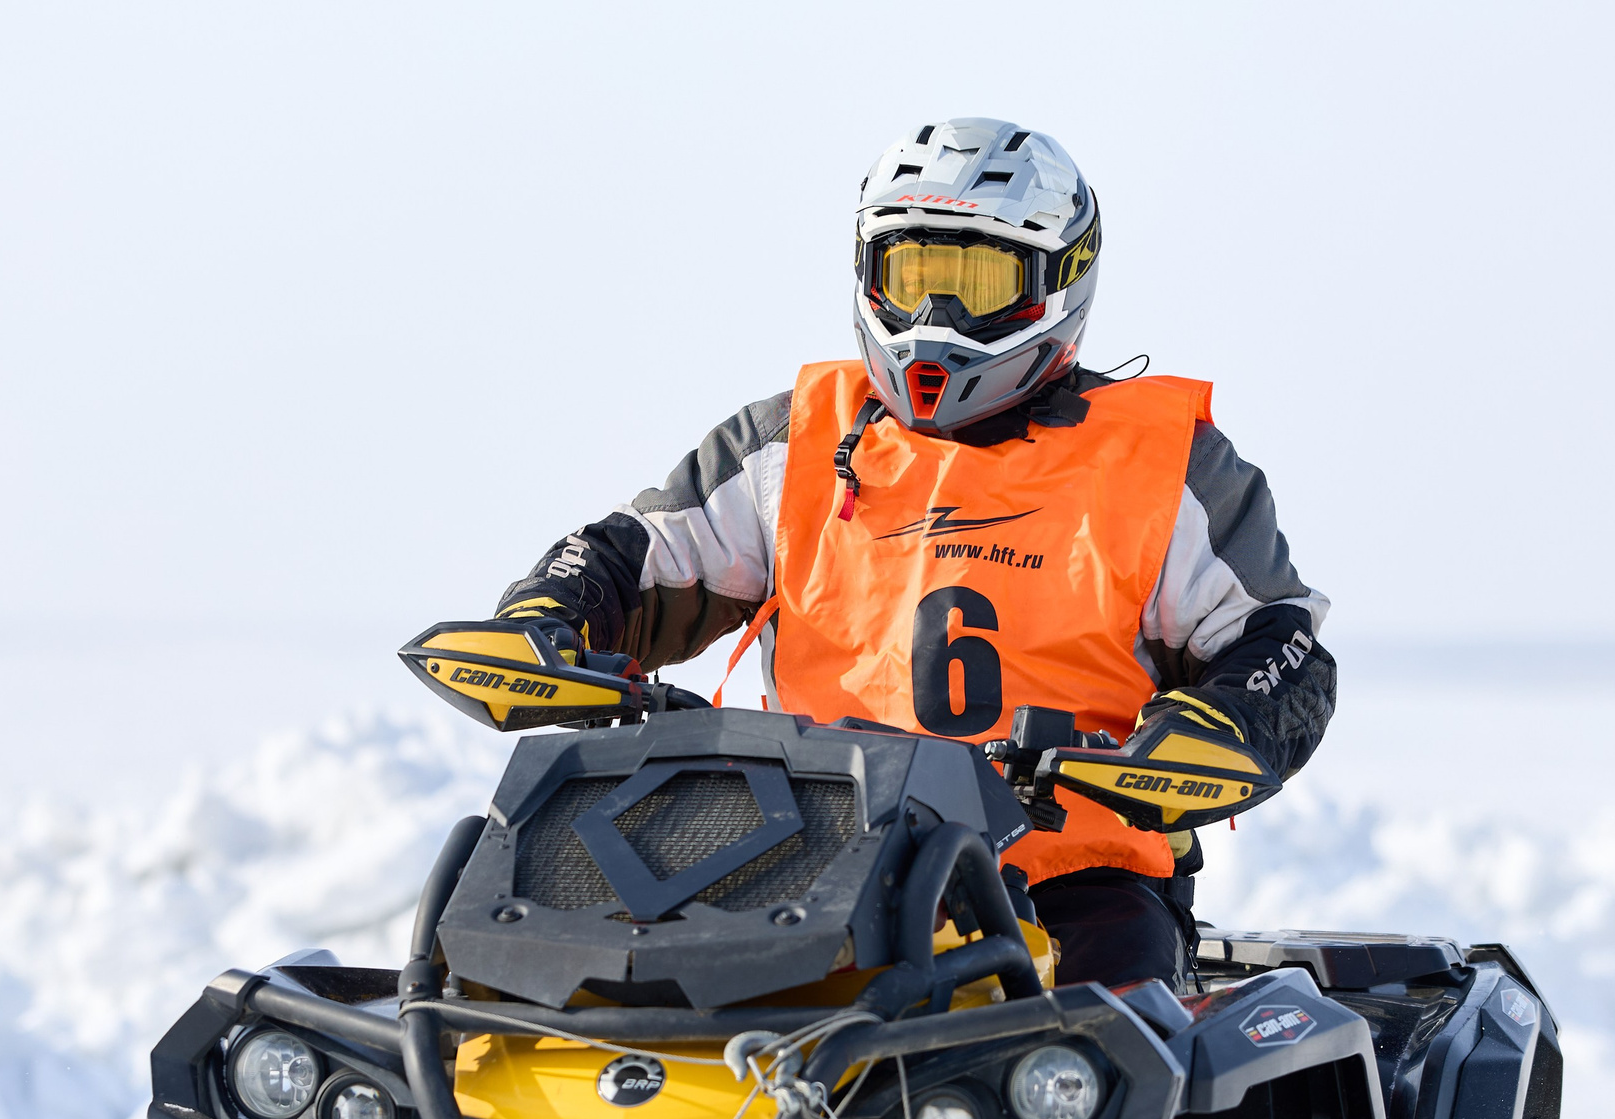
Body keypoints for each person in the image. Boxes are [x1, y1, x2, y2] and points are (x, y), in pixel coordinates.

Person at [482, 118, 1335, 988]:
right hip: (805, 862)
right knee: (591, 988)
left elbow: (1280, 644)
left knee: (1113, 1024)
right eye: (914, 274)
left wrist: (1209, 729)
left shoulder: (1164, 466)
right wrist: (548, 615)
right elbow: (638, 553)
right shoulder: (793, 443)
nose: (935, 317)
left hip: (1070, 878)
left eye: (977, 282)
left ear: (1060, 279)